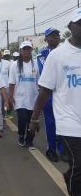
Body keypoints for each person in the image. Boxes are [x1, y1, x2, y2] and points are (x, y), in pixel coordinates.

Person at [30, 8, 81, 196]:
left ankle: (69, 175)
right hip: (70, 122)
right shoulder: (57, 56)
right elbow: (44, 91)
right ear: (71, 27)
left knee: (76, 169)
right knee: (80, 167)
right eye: (80, 23)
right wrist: (34, 118)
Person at [36, 27, 67, 163]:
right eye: (51, 35)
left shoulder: (66, 51)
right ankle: (51, 149)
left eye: (57, 35)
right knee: (50, 122)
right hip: (48, 93)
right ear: (46, 39)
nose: (55, 37)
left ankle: (62, 149)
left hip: (63, 92)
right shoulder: (42, 54)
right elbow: (45, 71)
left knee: (63, 121)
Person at [8, 41, 39, 149]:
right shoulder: (14, 65)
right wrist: (10, 96)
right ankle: (21, 135)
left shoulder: (36, 64)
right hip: (20, 98)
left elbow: (39, 82)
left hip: (33, 97)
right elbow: (11, 83)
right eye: (24, 49)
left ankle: (29, 140)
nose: (26, 51)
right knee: (22, 119)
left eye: (28, 49)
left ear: (31, 50)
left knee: (32, 121)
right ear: (21, 51)